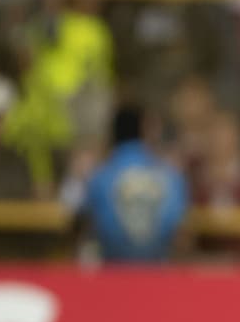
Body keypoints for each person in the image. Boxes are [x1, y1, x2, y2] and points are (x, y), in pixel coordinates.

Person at [79, 104, 189, 263]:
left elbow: (87, 225)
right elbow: (181, 235)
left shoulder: (99, 178)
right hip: (158, 272)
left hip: (112, 272)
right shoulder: (172, 178)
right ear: (145, 130)